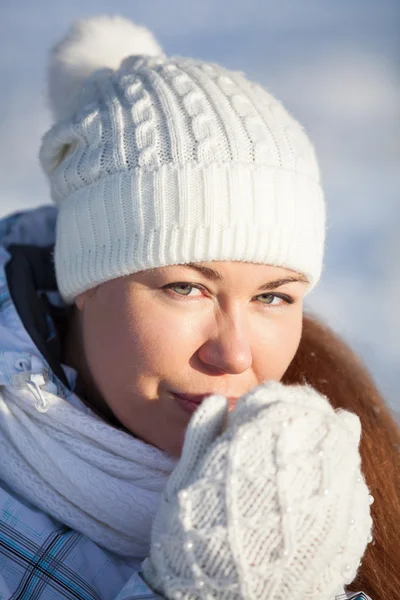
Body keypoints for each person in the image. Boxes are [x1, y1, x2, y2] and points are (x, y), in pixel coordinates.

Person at [0, 13, 398, 600]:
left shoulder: (329, 461)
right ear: (82, 278)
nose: (235, 351)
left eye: (272, 297)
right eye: (187, 288)